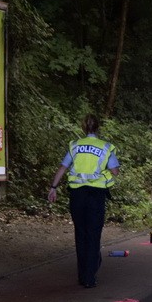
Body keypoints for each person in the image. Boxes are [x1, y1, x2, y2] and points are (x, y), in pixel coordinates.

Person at [48, 113, 120, 288]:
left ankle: (82, 275)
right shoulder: (105, 147)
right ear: (98, 127)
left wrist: (53, 187)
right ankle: (90, 276)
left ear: (83, 127)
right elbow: (115, 171)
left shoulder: (75, 145)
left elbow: (63, 168)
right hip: (96, 196)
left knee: (80, 234)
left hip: (77, 195)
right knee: (93, 235)